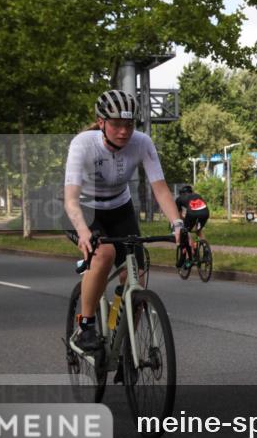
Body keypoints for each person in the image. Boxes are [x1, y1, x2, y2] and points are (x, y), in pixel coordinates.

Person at [63, 89, 186, 351]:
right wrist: (84, 233)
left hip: (120, 207)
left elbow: (161, 189)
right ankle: (85, 326)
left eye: (129, 125)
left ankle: (121, 336)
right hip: (85, 209)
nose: (124, 131)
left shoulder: (142, 143)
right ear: (101, 123)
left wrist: (177, 224)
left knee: (136, 278)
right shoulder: (83, 144)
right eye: (117, 124)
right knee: (104, 254)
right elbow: (70, 199)